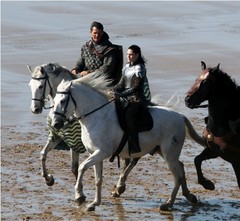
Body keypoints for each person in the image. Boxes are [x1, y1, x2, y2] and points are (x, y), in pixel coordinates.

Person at [111, 45, 152, 155]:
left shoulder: (140, 68)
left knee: (129, 115)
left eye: (131, 55)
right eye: (127, 54)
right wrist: (112, 90)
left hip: (137, 99)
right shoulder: (126, 67)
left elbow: (136, 87)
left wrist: (120, 94)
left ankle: (135, 144)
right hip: (125, 97)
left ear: (137, 55)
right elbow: (121, 83)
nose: (128, 57)